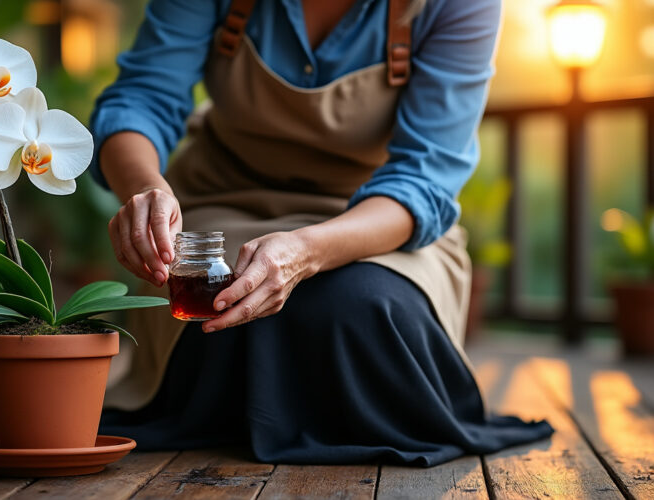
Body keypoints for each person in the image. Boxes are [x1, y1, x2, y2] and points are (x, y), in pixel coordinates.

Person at [89, 0, 553, 466]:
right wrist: (145, 190)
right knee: (216, 307)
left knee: (361, 309)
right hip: (222, 203)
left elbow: (424, 179)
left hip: (375, 221)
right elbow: (142, 98)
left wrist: (307, 250)